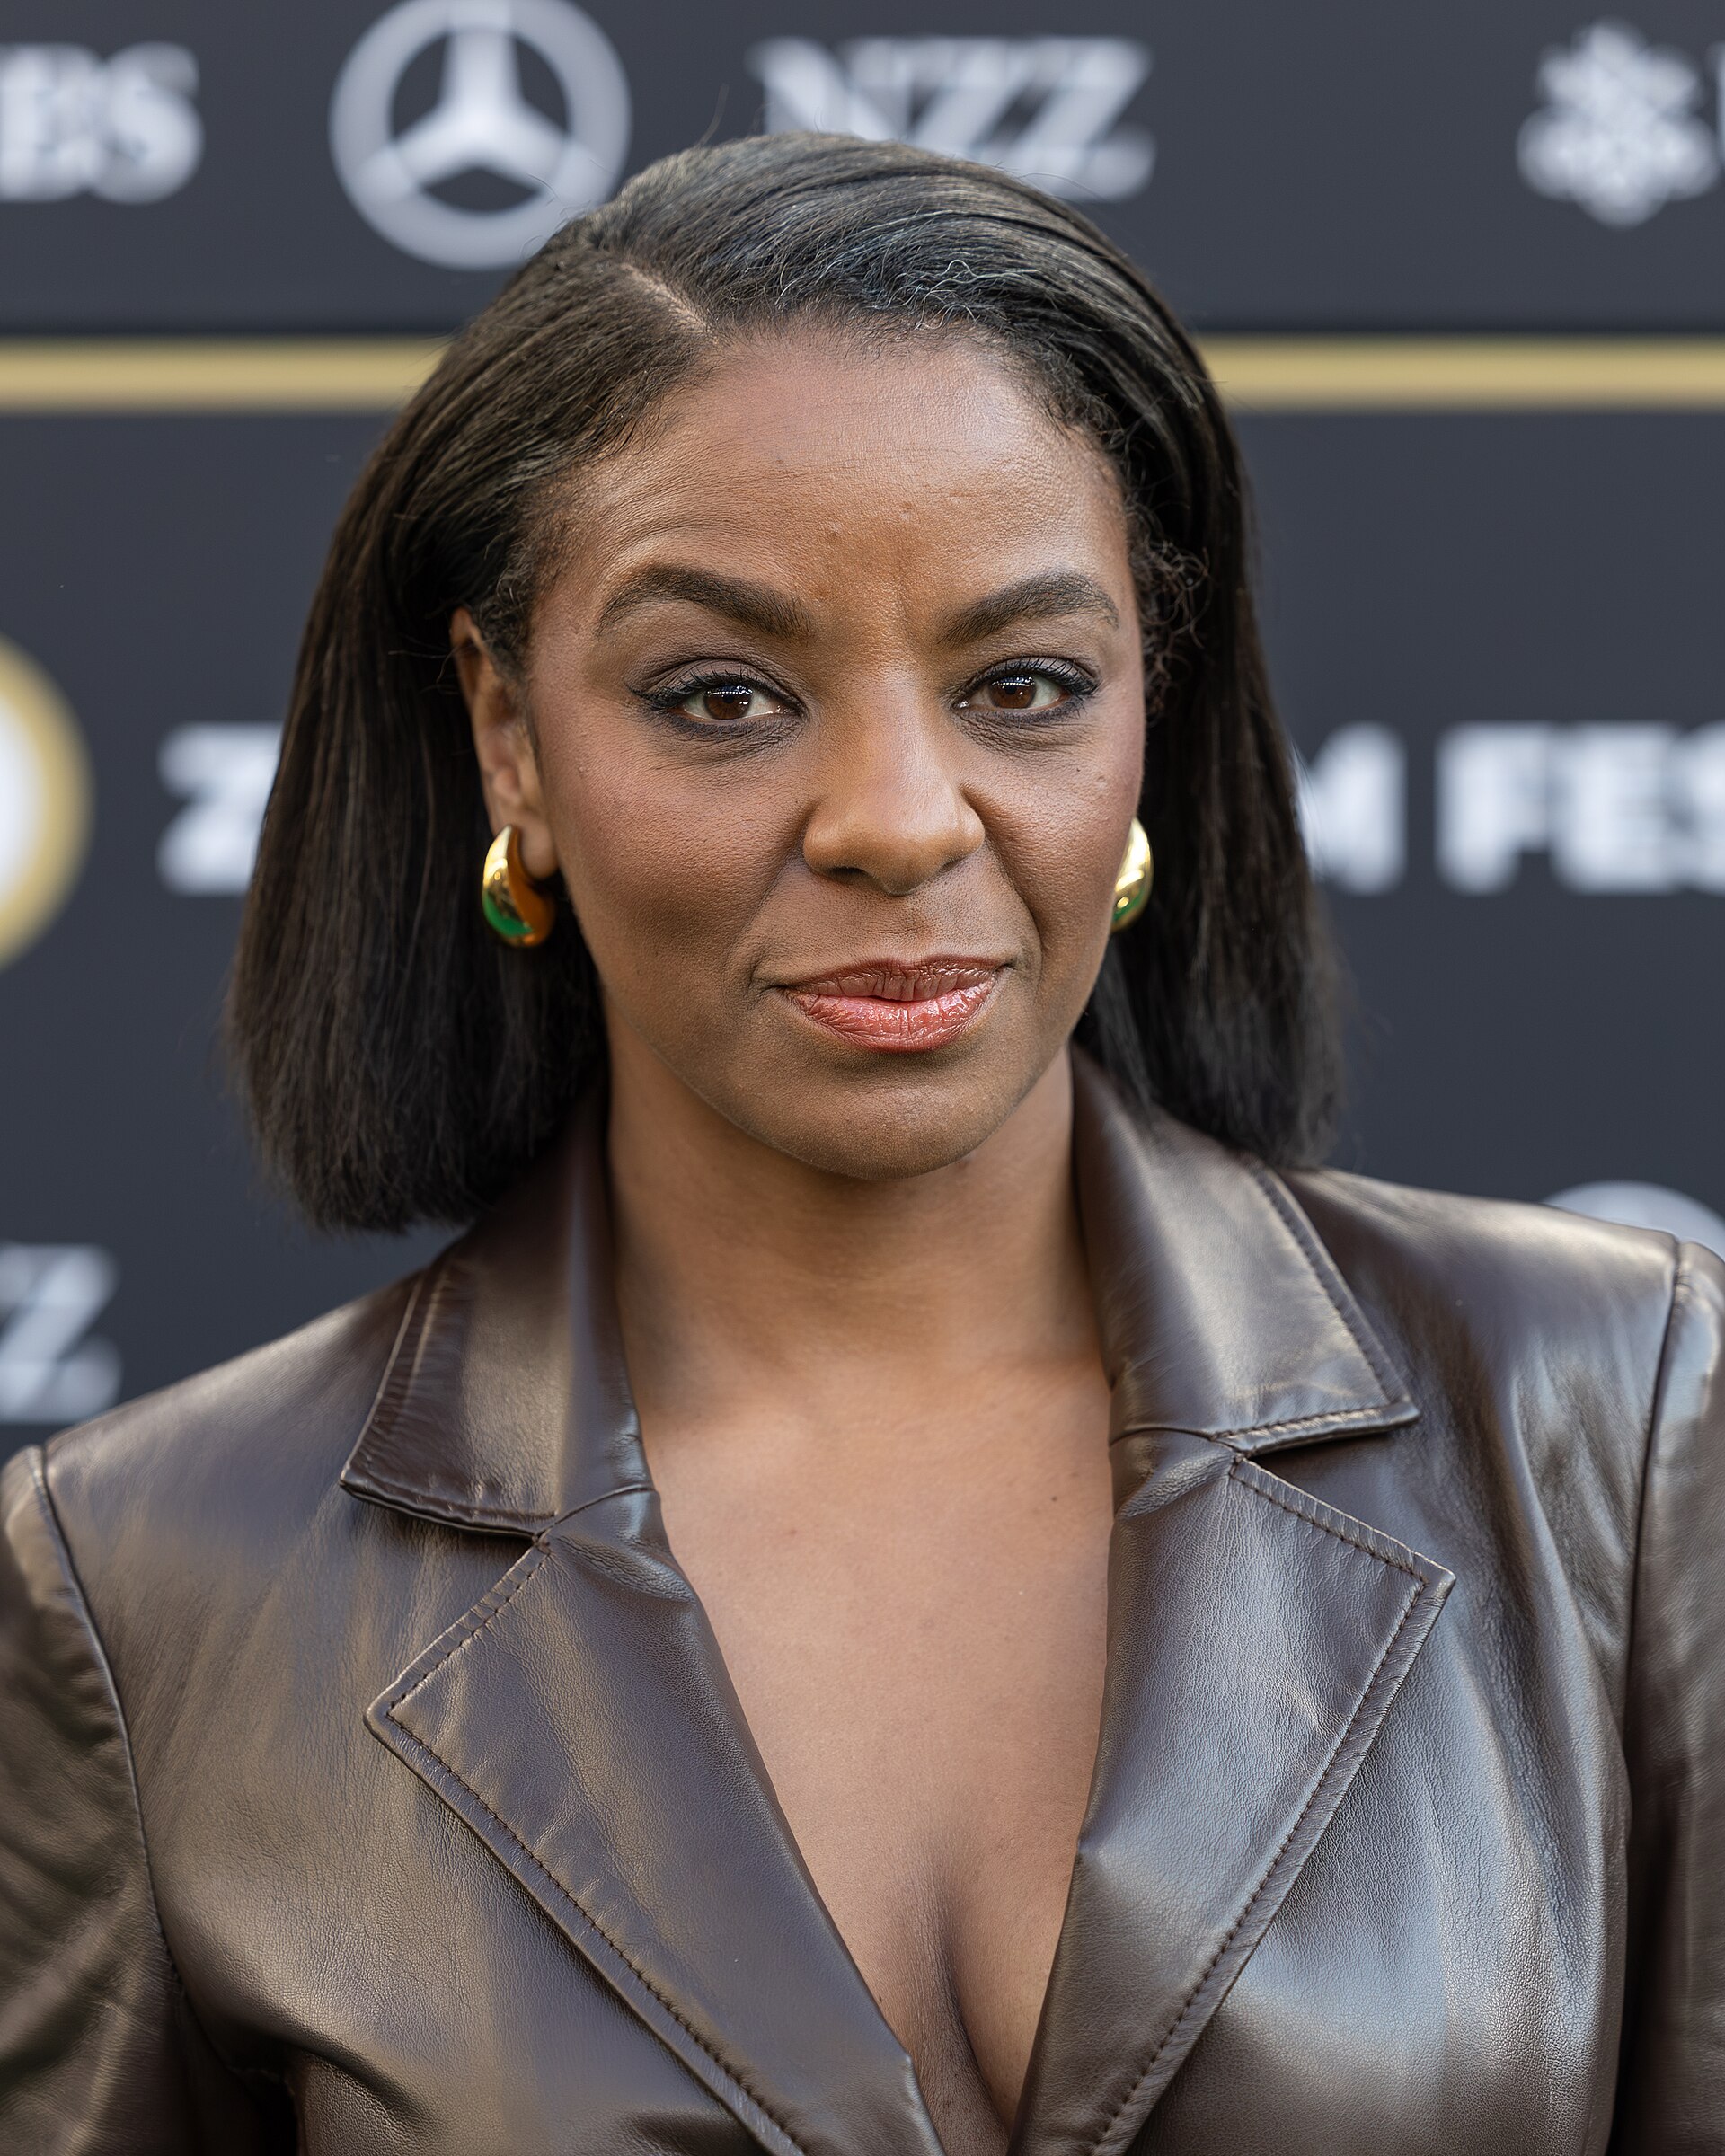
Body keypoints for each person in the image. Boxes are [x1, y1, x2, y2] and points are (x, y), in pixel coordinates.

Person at [1, 135, 1719, 2156]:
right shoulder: (149, 1588)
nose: (901, 817)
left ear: (1146, 710)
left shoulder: (1617, 1423)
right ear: (510, 738)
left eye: (1024, 684)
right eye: (722, 695)